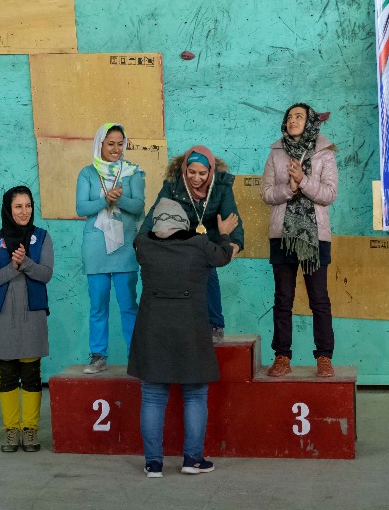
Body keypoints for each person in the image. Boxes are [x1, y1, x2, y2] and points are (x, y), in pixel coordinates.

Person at [129, 198, 237, 478]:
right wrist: (224, 233)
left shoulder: (143, 245)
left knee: (152, 396)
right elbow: (224, 256)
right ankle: (192, 459)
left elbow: (143, 232)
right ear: (184, 224)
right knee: (195, 394)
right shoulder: (199, 244)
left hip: (153, 328)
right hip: (191, 328)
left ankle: (153, 464)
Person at [261, 103, 338, 378]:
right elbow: (266, 193)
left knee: (319, 300)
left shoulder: (324, 153)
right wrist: (289, 188)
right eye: (289, 117)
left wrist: (303, 181)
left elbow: (329, 194)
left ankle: (324, 357)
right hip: (283, 237)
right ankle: (282, 356)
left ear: (310, 122)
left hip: (314, 237)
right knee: (283, 299)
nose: (292, 120)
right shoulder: (276, 153)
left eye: (299, 116)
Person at [142, 145, 244, 342]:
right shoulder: (173, 184)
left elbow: (232, 218)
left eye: (202, 173)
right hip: (180, 240)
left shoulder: (221, 186)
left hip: (208, 241)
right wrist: (141, 239)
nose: (196, 178)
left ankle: (215, 325)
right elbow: (156, 212)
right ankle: (181, 325)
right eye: (192, 172)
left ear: (210, 171)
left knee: (209, 272)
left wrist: (235, 243)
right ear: (184, 169)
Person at [0, 186, 54, 453]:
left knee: (32, 375)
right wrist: (13, 267)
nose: (24, 212)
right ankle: (11, 430)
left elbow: (46, 274)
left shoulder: (42, 237)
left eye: (28, 206)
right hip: (4, 317)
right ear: (8, 209)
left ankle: (30, 429)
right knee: (8, 375)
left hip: (33, 316)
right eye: (18, 206)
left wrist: (26, 263)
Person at [75, 122, 144, 374]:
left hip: (125, 247)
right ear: (100, 144)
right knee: (98, 305)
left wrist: (119, 199)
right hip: (96, 248)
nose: (116, 149)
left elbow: (138, 206)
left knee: (128, 305)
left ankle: (136, 357)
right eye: (110, 144)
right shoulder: (87, 173)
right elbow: (81, 208)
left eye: (120, 144)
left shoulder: (133, 172)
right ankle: (98, 356)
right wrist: (105, 199)